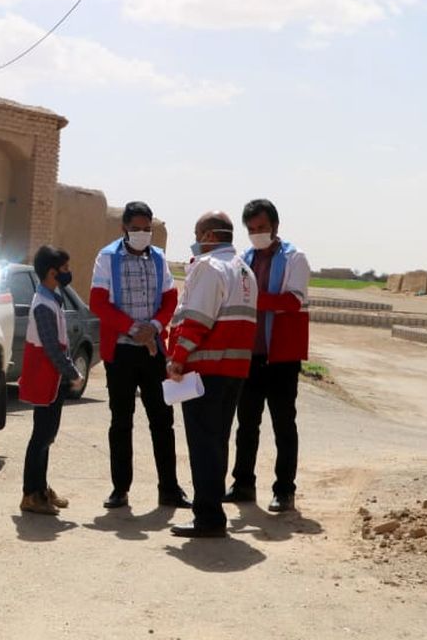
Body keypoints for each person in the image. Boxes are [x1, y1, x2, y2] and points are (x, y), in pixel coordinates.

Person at [90, 202, 189, 510]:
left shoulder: (158, 259)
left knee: (162, 420)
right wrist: (134, 328)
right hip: (120, 352)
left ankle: (169, 489)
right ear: (124, 229)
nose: (142, 234)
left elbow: (171, 297)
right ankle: (120, 489)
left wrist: (156, 326)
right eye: (136, 229)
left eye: (147, 229)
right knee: (121, 421)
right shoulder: (107, 258)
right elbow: (98, 302)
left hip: (153, 352)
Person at [166, 212, 258, 538]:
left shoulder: (209, 267)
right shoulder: (245, 270)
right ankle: (212, 509)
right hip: (234, 369)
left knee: (203, 444)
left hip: (206, 368)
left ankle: (207, 516)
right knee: (217, 442)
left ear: (206, 235)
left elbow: (196, 320)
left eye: (196, 233)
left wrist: (177, 359)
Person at [226, 199, 310, 513]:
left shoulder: (294, 258)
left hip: (282, 356)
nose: (257, 234)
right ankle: (242, 484)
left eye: (262, 228)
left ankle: (284, 490)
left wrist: (253, 300)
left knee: (283, 425)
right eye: (251, 229)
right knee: (246, 424)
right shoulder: (244, 258)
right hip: (250, 354)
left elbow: (292, 301)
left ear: (275, 226)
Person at [19, 245, 85, 515]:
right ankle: (30, 494)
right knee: (41, 436)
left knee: (47, 436)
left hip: (53, 379)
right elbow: (51, 347)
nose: (69, 274)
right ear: (51, 272)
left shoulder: (52, 298)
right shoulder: (43, 305)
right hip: (45, 378)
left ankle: (41, 488)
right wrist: (73, 373)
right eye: (65, 269)